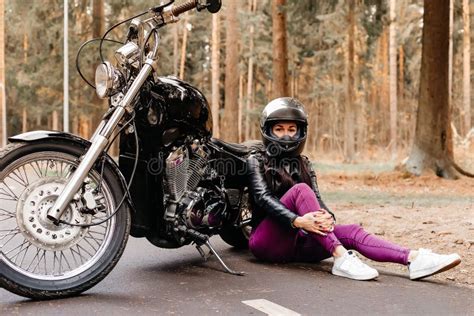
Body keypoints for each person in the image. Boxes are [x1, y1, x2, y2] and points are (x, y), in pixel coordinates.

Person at [246, 97, 461, 281]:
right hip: (267, 243)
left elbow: (318, 201)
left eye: (292, 129)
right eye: (279, 129)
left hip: (298, 244)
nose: (286, 135)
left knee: (352, 232)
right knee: (300, 190)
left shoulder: (304, 163)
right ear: (268, 130)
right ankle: (340, 257)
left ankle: (414, 259)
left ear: (300, 132)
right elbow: (263, 198)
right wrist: (297, 220)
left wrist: (328, 216)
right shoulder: (256, 160)